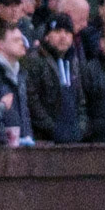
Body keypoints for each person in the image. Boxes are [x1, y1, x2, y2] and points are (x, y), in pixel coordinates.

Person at [23, 13, 87, 144]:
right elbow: (32, 101)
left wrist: (81, 128)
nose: (63, 36)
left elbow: (81, 100)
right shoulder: (35, 60)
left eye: (67, 32)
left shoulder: (74, 61)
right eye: (57, 31)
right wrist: (53, 129)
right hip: (44, 138)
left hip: (73, 137)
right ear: (47, 36)